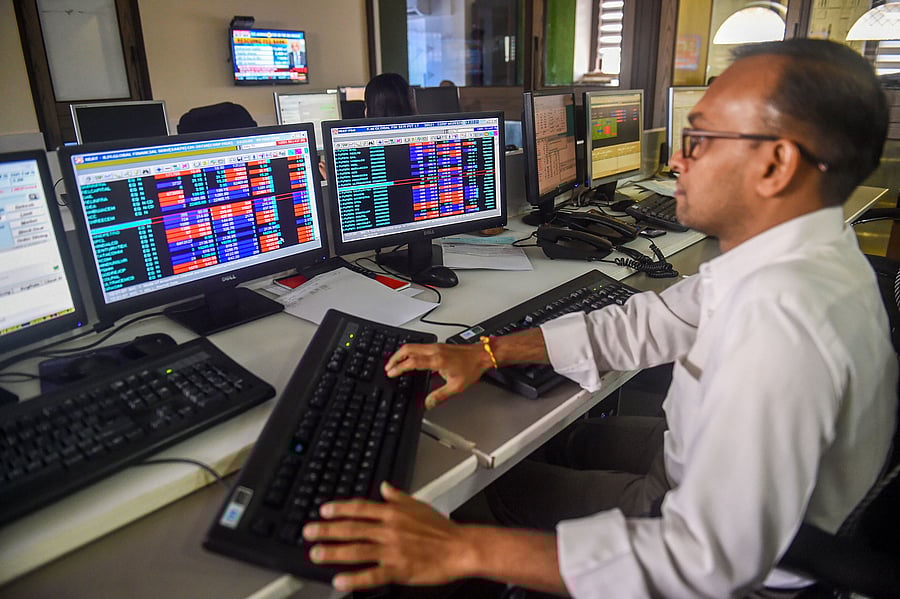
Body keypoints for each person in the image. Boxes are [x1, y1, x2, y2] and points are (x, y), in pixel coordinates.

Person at [301, 39, 896, 597]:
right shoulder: (797, 256)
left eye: (700, 140)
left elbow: (704, 560)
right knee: (556, 442)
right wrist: (488, 352)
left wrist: (458, 548)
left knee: (484, 494)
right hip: (699, 468)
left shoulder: (782, 322)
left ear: (776, 165)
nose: (677, 161)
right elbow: (653, 320)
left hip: (727, 556)